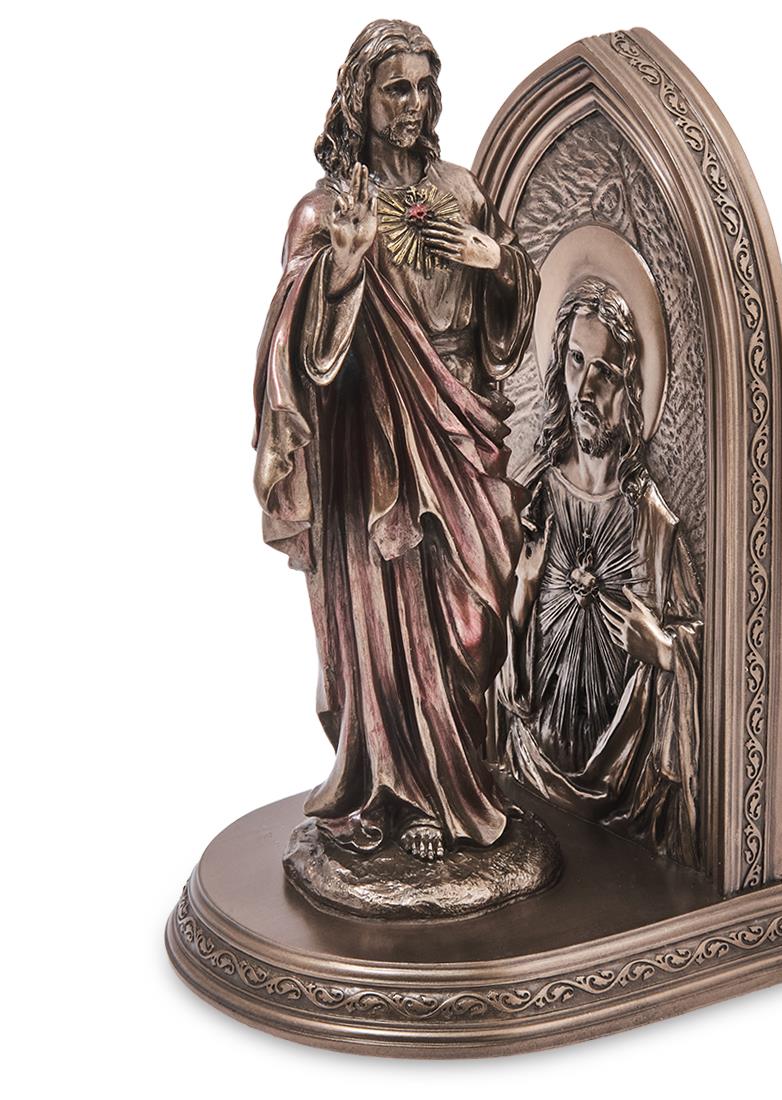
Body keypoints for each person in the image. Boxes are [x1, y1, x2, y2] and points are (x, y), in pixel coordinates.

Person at [252, 20, 538, 862]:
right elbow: (297, 354)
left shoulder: (463, 189)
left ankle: (460, 781)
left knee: (469, 617)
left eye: (423, 86)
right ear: (360, 99)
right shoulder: (324, 211)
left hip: (457, 428)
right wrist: (342, 269)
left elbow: (506, 330)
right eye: (395, 88)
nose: (414, 104)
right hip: (368, 441)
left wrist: (498, 264)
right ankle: (389, 788)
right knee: (379, 615)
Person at [497, 279, 703, 867]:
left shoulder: (652, 526)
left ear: (631, 388)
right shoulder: (534, 498)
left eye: (605, 372)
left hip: (627, 798)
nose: (584, 388)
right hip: (530, 780)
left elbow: (715, 655)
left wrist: (665, 650)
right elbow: (495, 679)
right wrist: (522, 596)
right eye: (575, 361)